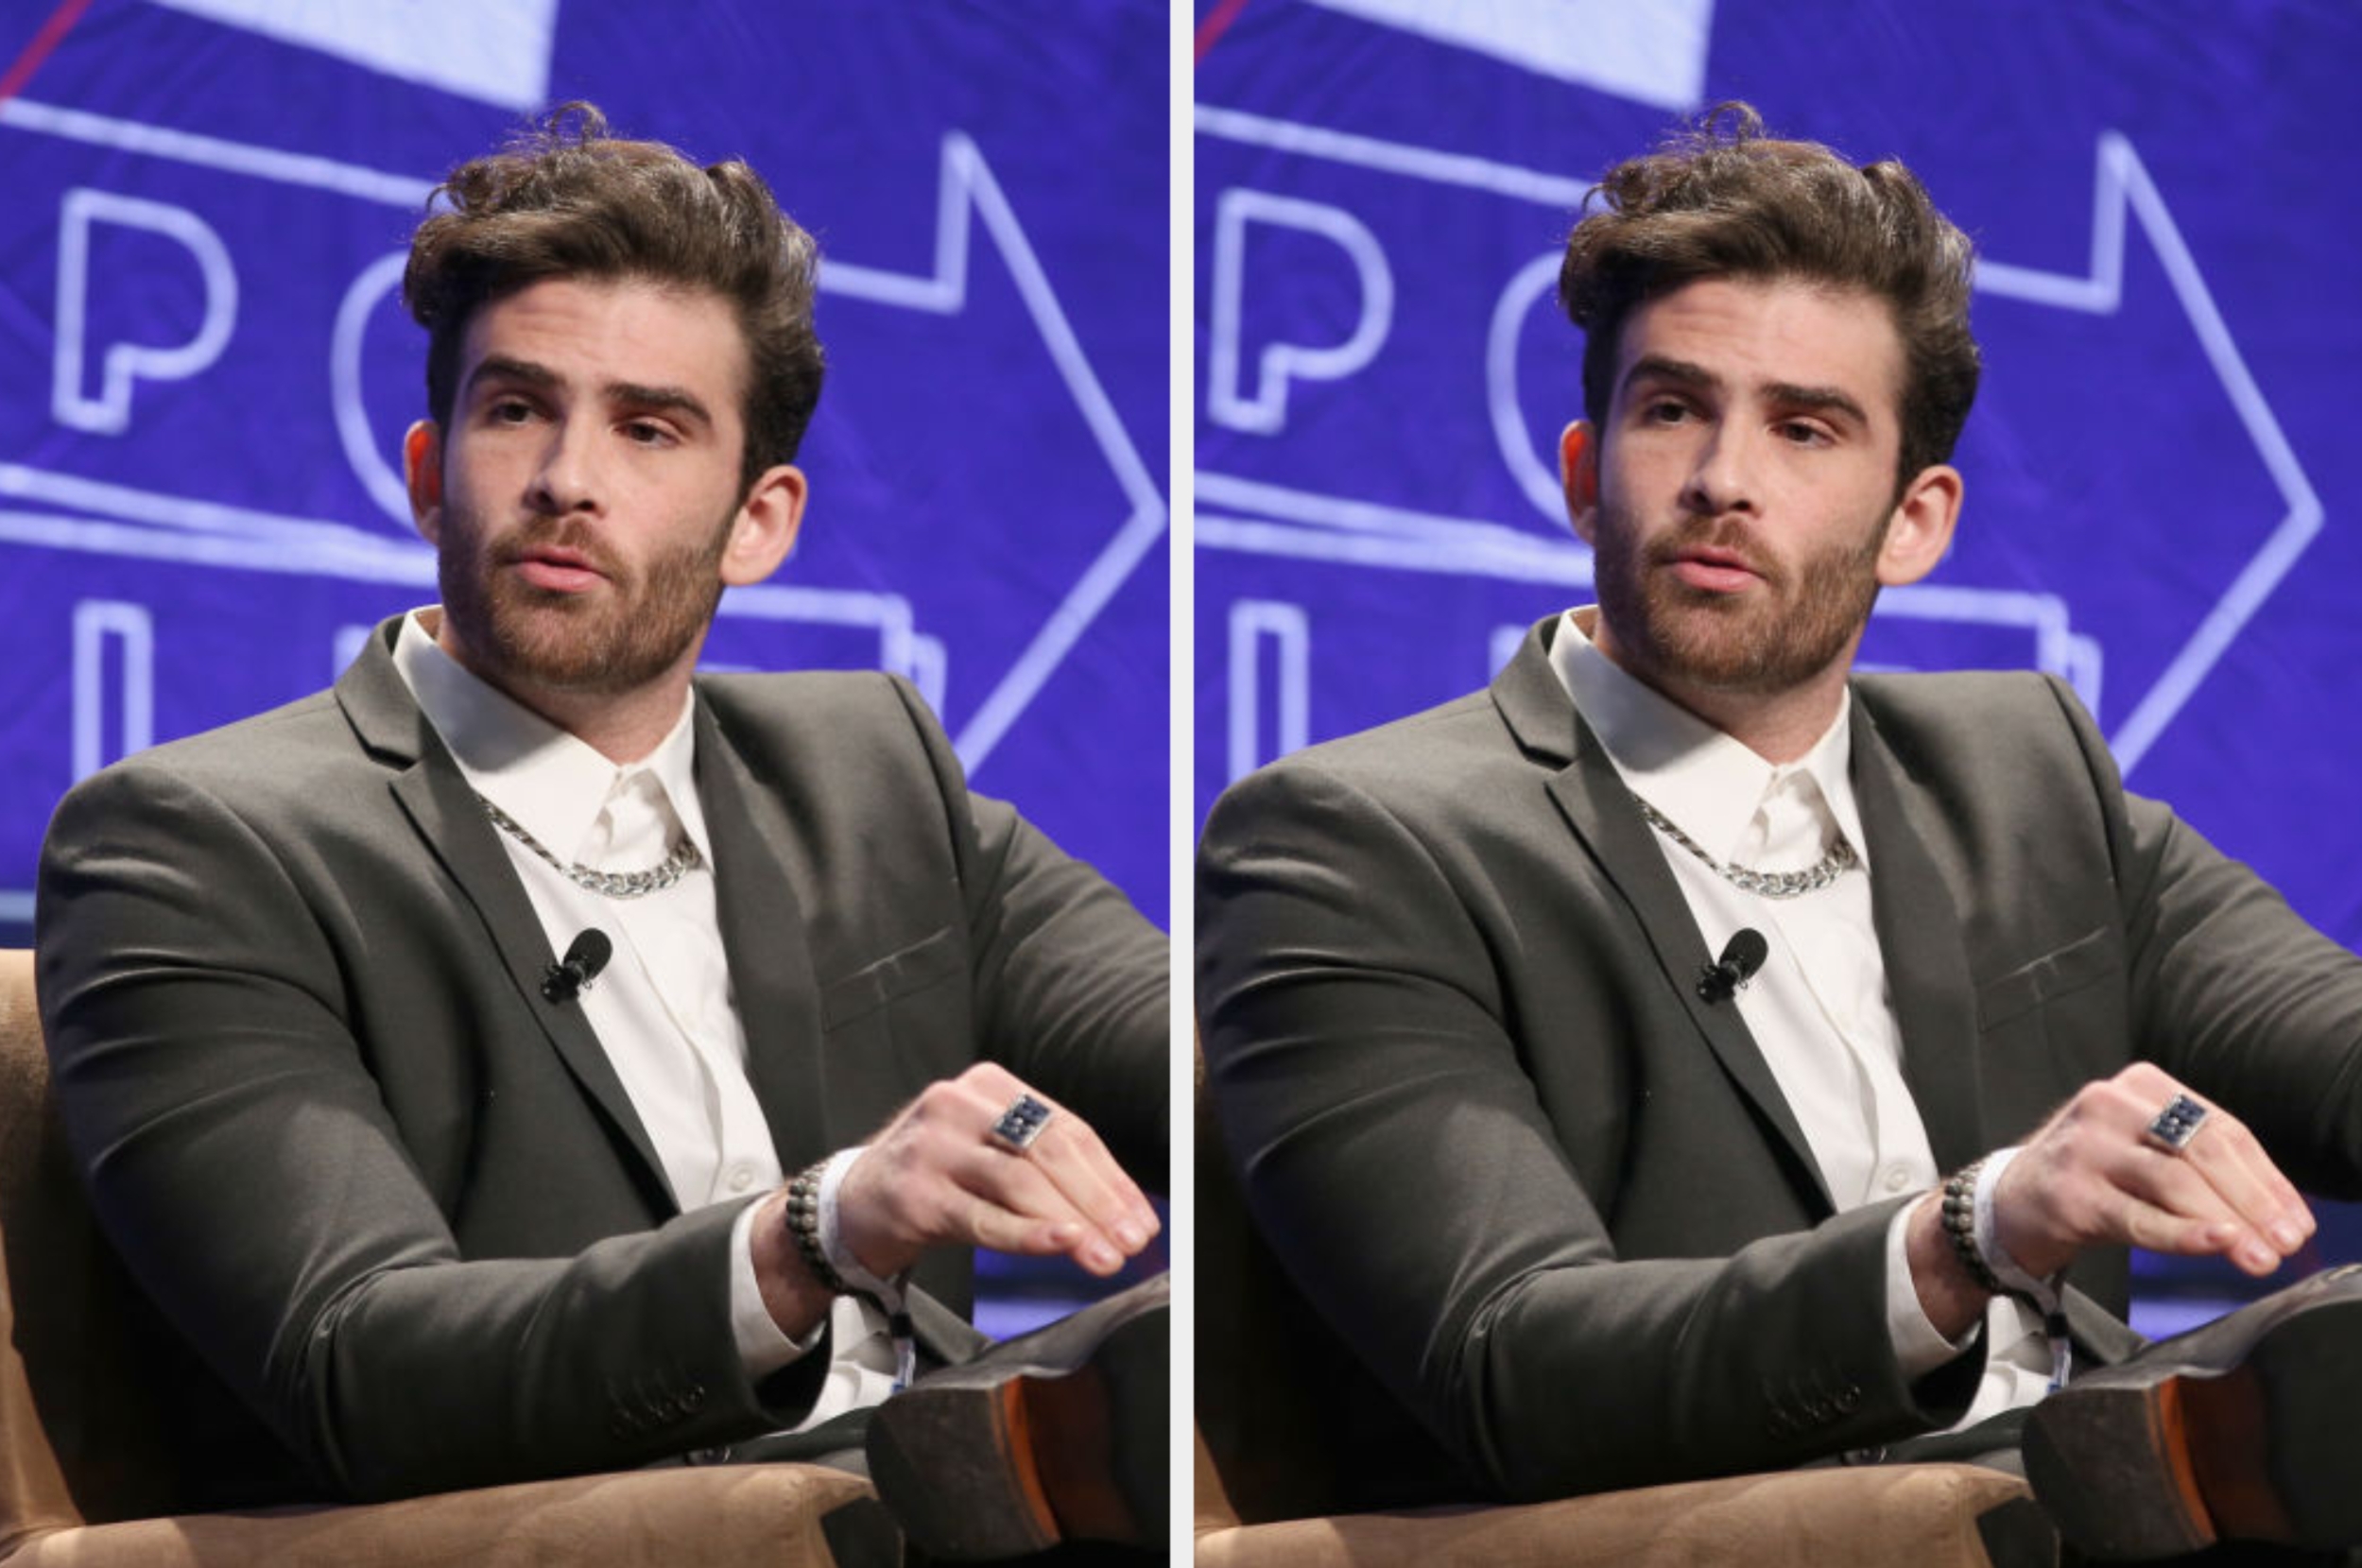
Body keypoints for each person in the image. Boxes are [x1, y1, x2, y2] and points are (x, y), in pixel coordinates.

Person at [1196, 103, 2362, 1560]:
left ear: (1915, 521)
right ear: (1584, 472)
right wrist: (1972, 1229)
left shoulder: (2022, 778)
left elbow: (2332, 1050)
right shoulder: (1355, 844)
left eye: (1805, 429)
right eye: (1671, 410)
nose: (1722, 479)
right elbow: (1513, 1360)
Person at [37, 104, 1166, 1561]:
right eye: (516, 409)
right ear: (427, 470)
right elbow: (351, 1358)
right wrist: (816, 1229)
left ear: (760, 521)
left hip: (944, 1499)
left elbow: (1201, 1051)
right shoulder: (200, 846)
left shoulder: (867, 772)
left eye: (648, 428)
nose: (568, 477)